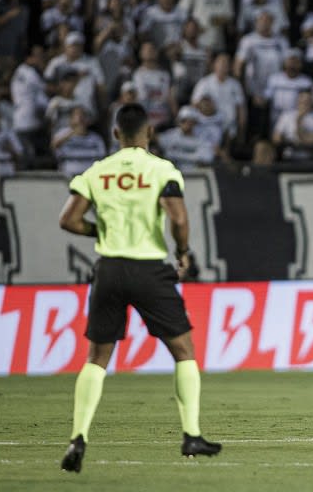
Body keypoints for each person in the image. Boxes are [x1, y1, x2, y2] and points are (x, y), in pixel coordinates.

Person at [58, 103, 221, 473]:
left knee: (96, 358)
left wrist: (97, 231)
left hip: (110, 269)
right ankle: (191, 434)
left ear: (116, 135)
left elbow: (68, 219)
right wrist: (183, 253)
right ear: (149, 134)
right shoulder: (161, 169)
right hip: (149, 269)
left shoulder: (97, 171)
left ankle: (78, 438)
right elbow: (178, 217)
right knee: (183, 350)